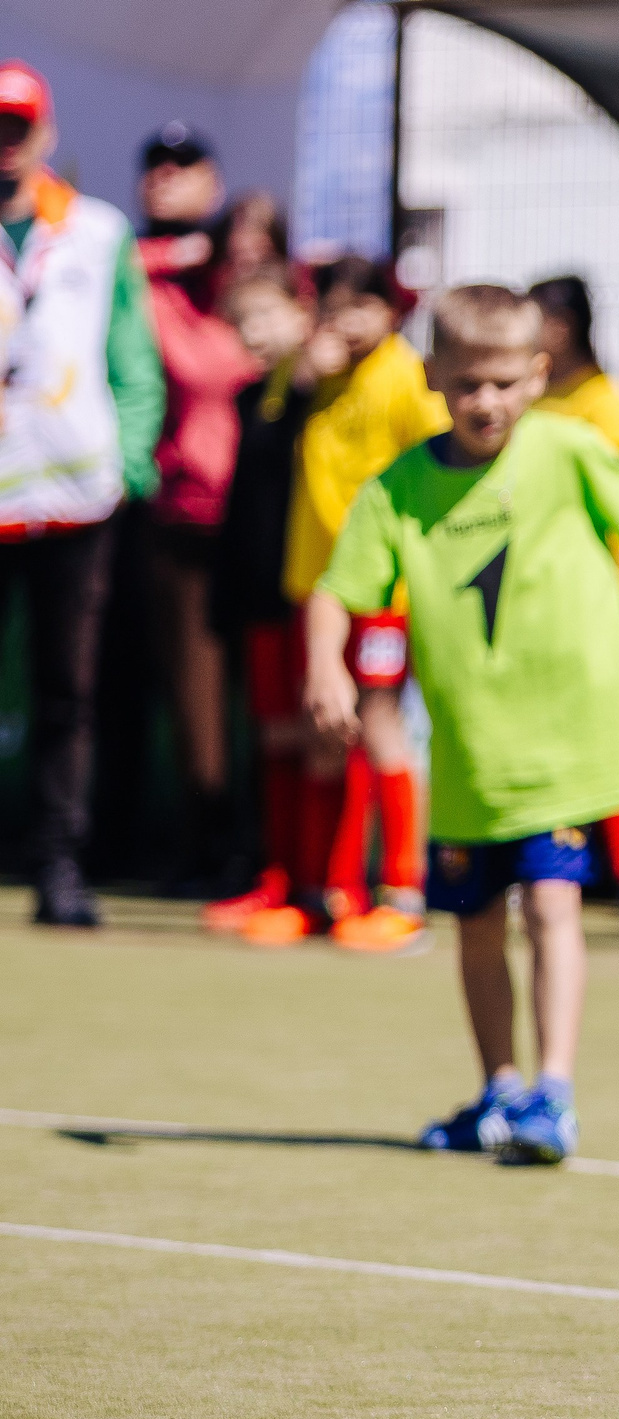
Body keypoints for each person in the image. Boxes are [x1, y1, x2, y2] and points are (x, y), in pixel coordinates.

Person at [308, 284, 619, 1161]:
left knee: (551, 906)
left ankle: (553, 1094)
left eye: (506, 382)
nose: (487, 401)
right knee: (476, 924)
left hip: (564, 747)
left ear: (538, 374)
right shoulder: (398, 489)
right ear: (435, 375)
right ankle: (499, 1090)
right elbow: (337, 592)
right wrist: (323, 662)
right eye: (468, 382)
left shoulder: (566, 448)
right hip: (472, 757)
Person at [226, 256, 446, 950]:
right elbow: (265, 442)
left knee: (380, 724)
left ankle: (404, 891)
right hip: (314, 585)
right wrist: (306, 380)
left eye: (363, 307)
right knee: (322, 731)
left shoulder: (404, 377)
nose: (347, 323)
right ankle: (327, 892)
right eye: (336, 307)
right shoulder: (309, 375)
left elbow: (442, 462)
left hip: (383, 591)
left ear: (391, 311)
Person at [0, 60, 165, 928]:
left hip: (75, 492)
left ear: (46, 132)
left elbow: (133, 357)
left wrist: (128, 463)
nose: (5, 142)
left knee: (70, 690)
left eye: (16, 125)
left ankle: (59, 862)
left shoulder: (98, 233)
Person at [136, 122, 265, 894]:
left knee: (270, 696)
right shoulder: (141, 276)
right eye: (156, 166)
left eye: (184, 166)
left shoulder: (249, 284)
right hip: (179, 516)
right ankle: (208, 844)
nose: (167, 178)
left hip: (259, 519)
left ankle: (275, 851)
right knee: (194, 693)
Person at [528, 273, 619, 915]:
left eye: (545, 320)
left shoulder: (606, 401)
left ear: (572, 324)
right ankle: (559, 861)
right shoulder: (532, 400)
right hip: (531, 596)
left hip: (599, 595)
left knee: (615, 730)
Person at [201, 266, 317, 932]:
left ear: (304, 313)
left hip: (312, 589)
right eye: (242, 323)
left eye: (268, 316)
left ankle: (320, 884)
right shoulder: (253, 396)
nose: (256, 333)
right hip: (260, 592)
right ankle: (275, 877)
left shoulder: (317, 390)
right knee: (272, 737)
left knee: (318, 737)